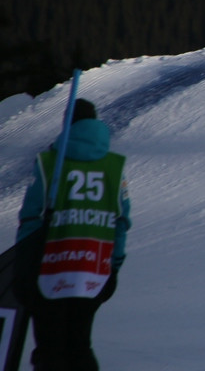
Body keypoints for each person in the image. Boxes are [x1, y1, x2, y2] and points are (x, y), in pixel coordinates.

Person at [15, 98, 131, 371]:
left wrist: (24, 264)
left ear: (67, 123)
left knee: (49, 347)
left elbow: (31, 218)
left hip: (49, 270)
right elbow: (121, 222)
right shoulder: (115, 167)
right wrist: (114, 265)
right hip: (92, 271)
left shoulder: (49, 163)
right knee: (79, 344)